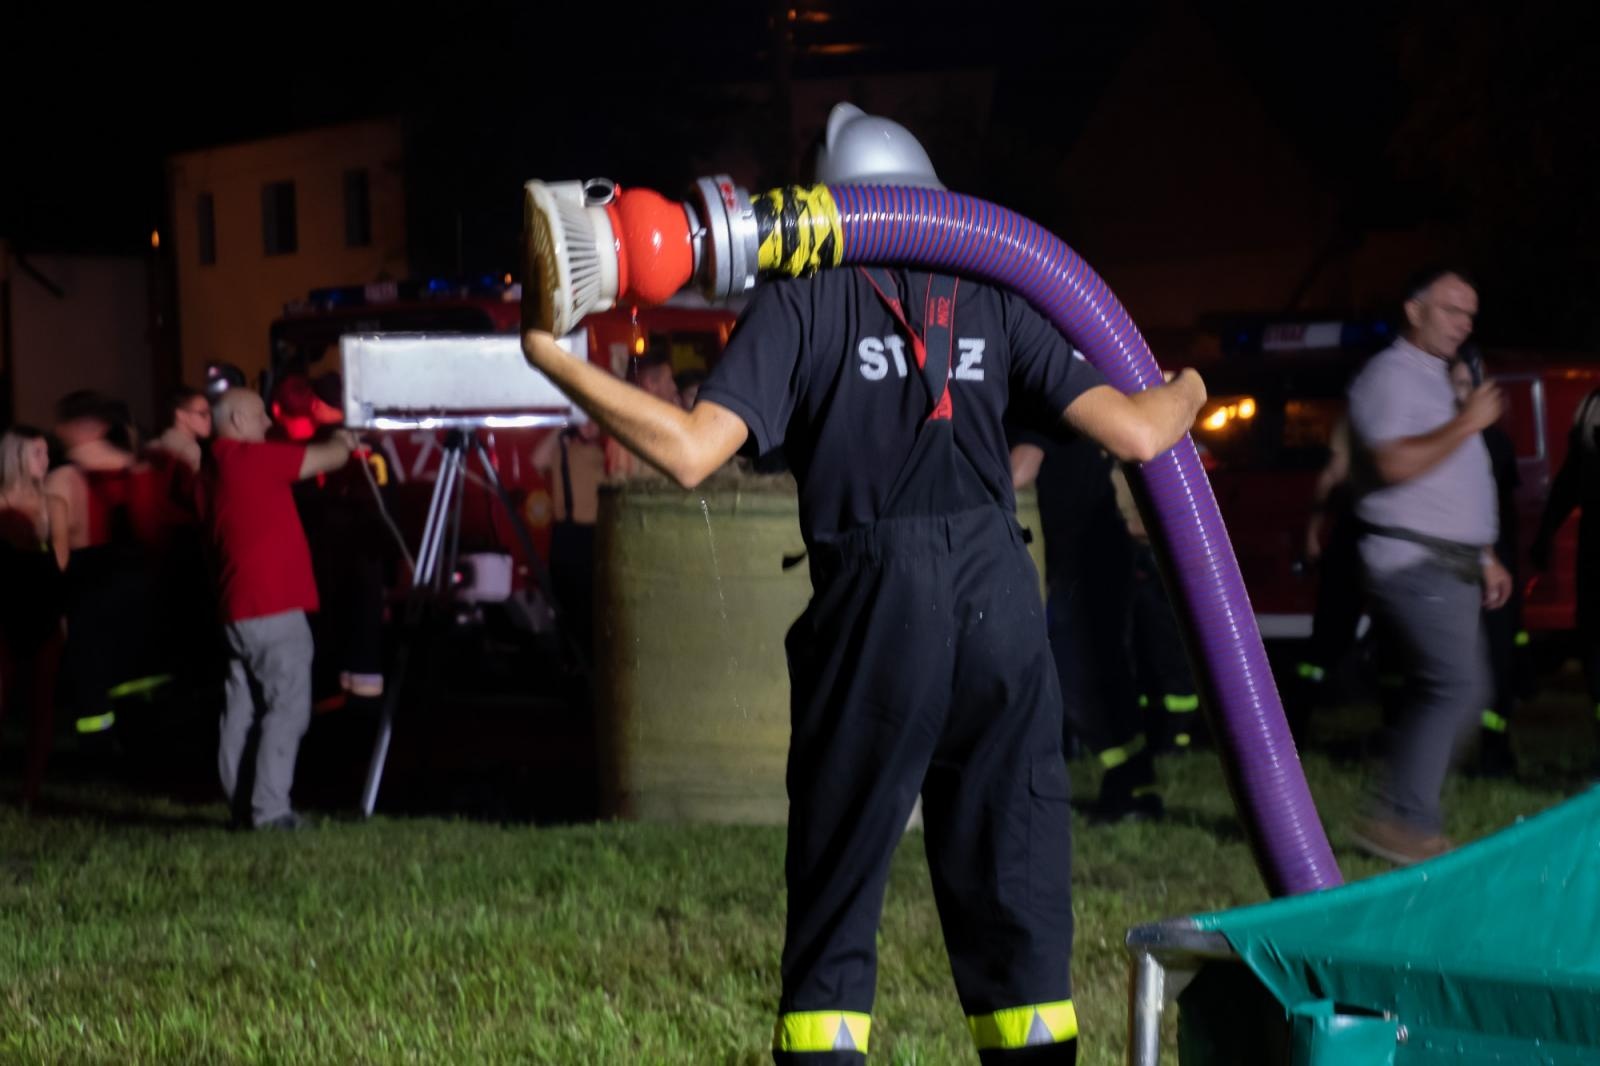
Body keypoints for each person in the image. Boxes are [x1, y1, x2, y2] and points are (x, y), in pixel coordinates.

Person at [520, 102, 1207, 1064]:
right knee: (1018, 889)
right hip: (999, 599)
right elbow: (1140, 432)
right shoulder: (995, 289)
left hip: (877, 600)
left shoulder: (801, 301)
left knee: (840, 890)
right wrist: (1187, 388)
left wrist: (555, 359)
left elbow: (687, 451)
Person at [1345, 267, 1510, 865]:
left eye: (1470, 315)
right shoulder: (1390, 377)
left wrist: (1485, 553)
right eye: (1451, 310)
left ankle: (1400, 812)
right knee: (1455, 686)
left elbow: (1454, 473)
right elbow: (1392, 464)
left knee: (1463, 691)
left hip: (1455, 562)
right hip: (1413, 559)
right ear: (1414, 311)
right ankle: (1401, 820)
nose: (1464, 324)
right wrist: (1468, 420)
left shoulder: (1442, 382)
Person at [207, 387, 355, 829]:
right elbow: (323, 460)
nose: (266, 425)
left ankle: (241, 805)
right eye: (257, 416)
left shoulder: (216, 465)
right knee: (287, 707)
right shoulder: (247, 459)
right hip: (272, 606)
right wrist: (344, 443)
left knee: (242, 709)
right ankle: (270, 811)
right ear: (234, 421)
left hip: (238, 607)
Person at [1010, 428, 1162, 822]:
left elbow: (1020, 471)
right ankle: (1130, 783)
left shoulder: (1046, 409)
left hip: (1089, 558)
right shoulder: (1065, 404)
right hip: (1089, 553)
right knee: (1102, 674)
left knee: (1079, 675)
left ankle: (1132, 785)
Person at [1451, 348, 1523, 776]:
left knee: (1499, 661)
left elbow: (1505, 509)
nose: (1463, 395)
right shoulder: (1446, 438)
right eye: (1455, 384)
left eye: (1468, 385)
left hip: (1497, 565)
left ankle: (1496, 751)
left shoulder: (1495, 441)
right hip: (1460, 566)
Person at [1530, 378, 1600, 756]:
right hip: (1594, 544)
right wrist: (1545, 533)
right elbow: (1570, 479)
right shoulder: (1591, 407)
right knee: (1592, 643)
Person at [0, 427, 69, 808]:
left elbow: (60, 561)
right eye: (37, 453)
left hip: (43, 606)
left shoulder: (53, 504)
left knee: (42, 703)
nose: (46, 461)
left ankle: (31, 791)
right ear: (16, 457)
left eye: (47, 453)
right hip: (6, 607)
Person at [531, 419, 606, 663]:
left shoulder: (605, 452)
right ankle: (571, 663)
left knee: (593, 606)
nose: (590, 426)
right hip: (567, 534)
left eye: (594, 422)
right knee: (566, 602)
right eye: (584, 421)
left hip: (596, 535)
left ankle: (589, 664)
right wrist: (562, 426)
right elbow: (537, 460)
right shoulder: (562, 449)